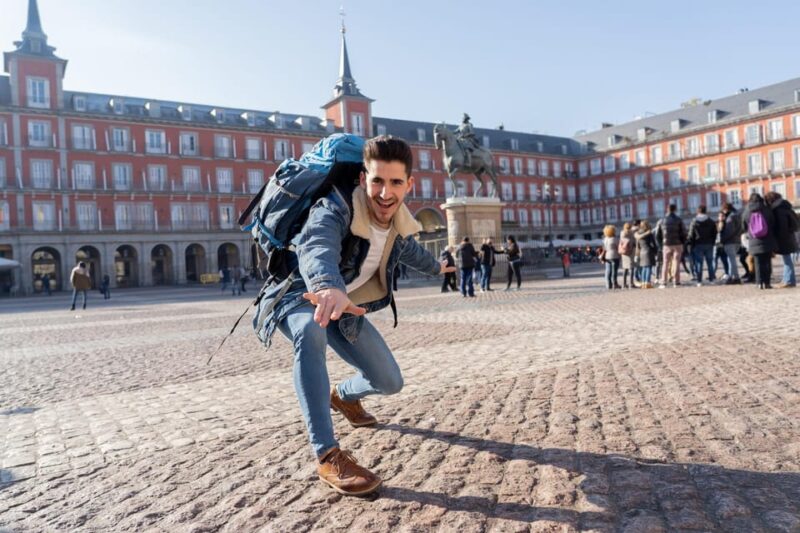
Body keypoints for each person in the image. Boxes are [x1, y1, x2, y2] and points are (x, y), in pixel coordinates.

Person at [254, 136, 455, 496]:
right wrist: (328, 284)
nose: (384, 193)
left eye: (395, 182)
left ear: (409, 185)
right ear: (364, 179)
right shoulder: (336, 207)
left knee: (390, 382)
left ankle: (343, 395)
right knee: (310, 333)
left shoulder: (397, 225)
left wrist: (440, 268)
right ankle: (328, 455)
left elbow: (411, 252)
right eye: (377, 181)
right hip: (302, 293)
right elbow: (317, 243)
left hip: (344, 308)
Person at [742, 193, 777, 289]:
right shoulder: (767, 210)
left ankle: (759, 283)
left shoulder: (747, 211)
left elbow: (744, 226)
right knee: (767, 262)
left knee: (757, 263)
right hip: (767, 239)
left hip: (754, 240)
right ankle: (767, 283)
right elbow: (773, 223)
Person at [765, 191, 799, 288]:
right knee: (787, 259)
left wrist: (779, 238)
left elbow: (782, 226)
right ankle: (786, 279)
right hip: (789, 236)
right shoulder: (786, 207)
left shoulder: (778, 210)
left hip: (784, 238)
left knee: (787, 260)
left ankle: (789, 281)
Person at [656, 204, 687, 288]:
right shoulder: (679, 220)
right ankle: (676, 282)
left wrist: (660, 244)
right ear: (675, 209)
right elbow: (684, 233)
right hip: (677, 243)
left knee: (665, 263)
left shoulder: (661, 220)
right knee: (676, 262)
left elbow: (657, 234)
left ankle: (663, 282)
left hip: (666, 244)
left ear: (667, 209)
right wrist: (682, 242)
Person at [687, 205, 718, 286]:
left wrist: (691, 243)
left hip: (698, 244)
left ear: (698, 211)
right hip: (709, 244)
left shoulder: (694, 221)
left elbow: (690, 234)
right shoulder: (711, 221)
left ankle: (699, 281)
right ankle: (711, 279)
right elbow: (715, 233)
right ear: (705, 211)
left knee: (699, 263)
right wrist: (713, 242)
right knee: (710, 262)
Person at [718, 203, 742, 285]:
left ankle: (733, 277)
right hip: (737, 240)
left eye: (724, 210)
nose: (723, 212)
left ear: (726, 209)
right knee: (732, 259)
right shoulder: (738, 216)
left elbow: (729, 231)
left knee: (731, 260)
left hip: (730, 242)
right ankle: (735, 276)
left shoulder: (730, 217)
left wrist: (722, 240)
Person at [635, 221, 657, 288]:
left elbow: (637, 246)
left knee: (644, 268)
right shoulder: (649, 234)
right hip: (648, 251)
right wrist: (655, 251)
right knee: (648, 267)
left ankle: (643, 283)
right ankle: (647, 282)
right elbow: (653, 243)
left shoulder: (638, 234)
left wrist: (637, 254)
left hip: (642, 252)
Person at [602, 225, 621, 290]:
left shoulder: (605, 239)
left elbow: (604, 248)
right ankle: (615, 283)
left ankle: (608, 284)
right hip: (614, 255)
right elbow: (618, 247)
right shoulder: (615, 239)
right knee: (614, 271)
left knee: (608, 271)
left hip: (607, 256)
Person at [618, 222, 637, 289]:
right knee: (631, 268)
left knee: (625, 268)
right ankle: (631, 283)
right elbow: (634, 241)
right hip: (630, 252)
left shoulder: (622, 233)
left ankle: (624, 284)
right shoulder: (631, 233)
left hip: (624, 252)